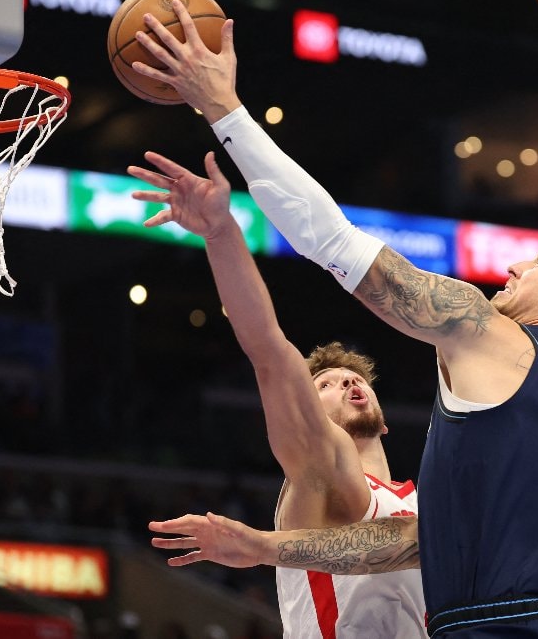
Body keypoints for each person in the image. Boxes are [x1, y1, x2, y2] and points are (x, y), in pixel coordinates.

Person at [131, 1, 538, 637]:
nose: (514, 267)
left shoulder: (497, 338)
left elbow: (332, 239)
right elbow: (402, 542)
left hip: (497, 623)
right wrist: (263, 547)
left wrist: (222, 108)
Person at [131, 152, 425, 638]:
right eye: (324, 385)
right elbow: (268, 349)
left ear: (384, 416)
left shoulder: (422, 505)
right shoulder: (321, 465)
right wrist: (221, 233)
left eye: (354, 380)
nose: (347, 383)